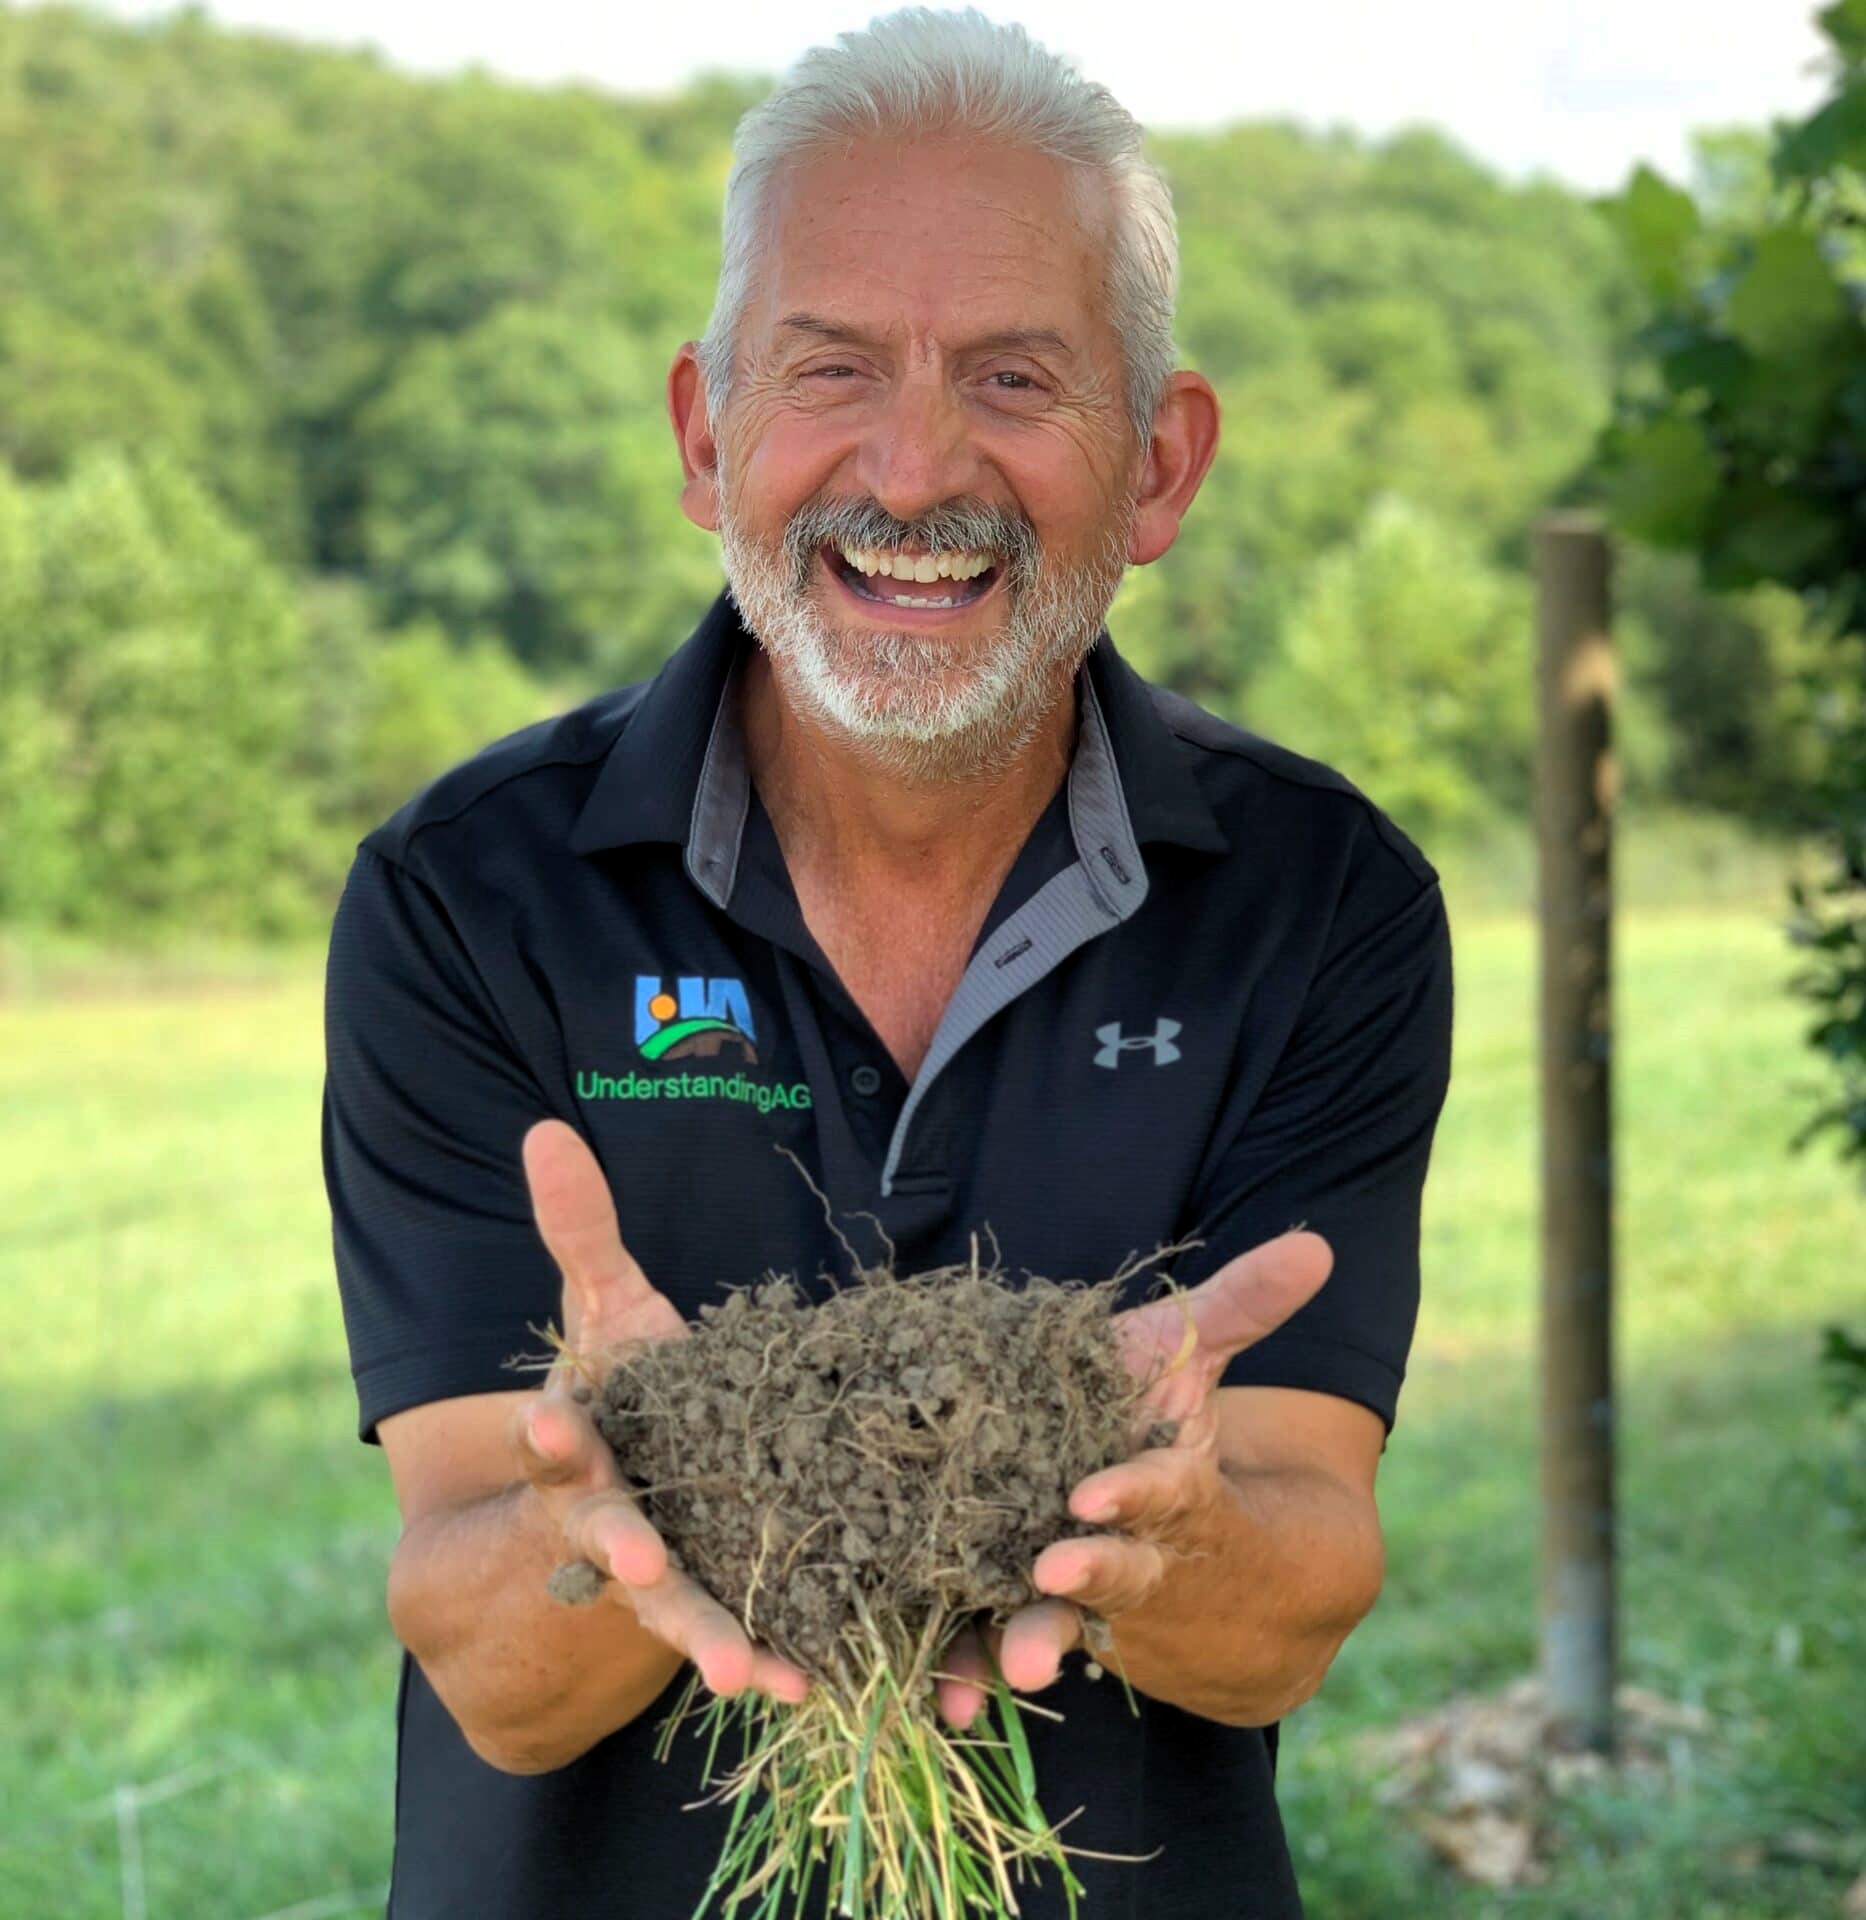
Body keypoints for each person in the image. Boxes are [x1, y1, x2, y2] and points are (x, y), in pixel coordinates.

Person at [322, 9, 1455, 1916]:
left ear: (1160, 466)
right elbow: (495, 1678)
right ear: (707, 434)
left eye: (1015, 378)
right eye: (830, 367)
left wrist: (1150, 1531)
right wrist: (634, 1500)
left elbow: (1286, 1612)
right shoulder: (468, 896)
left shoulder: (1317, 900)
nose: (915, 469)